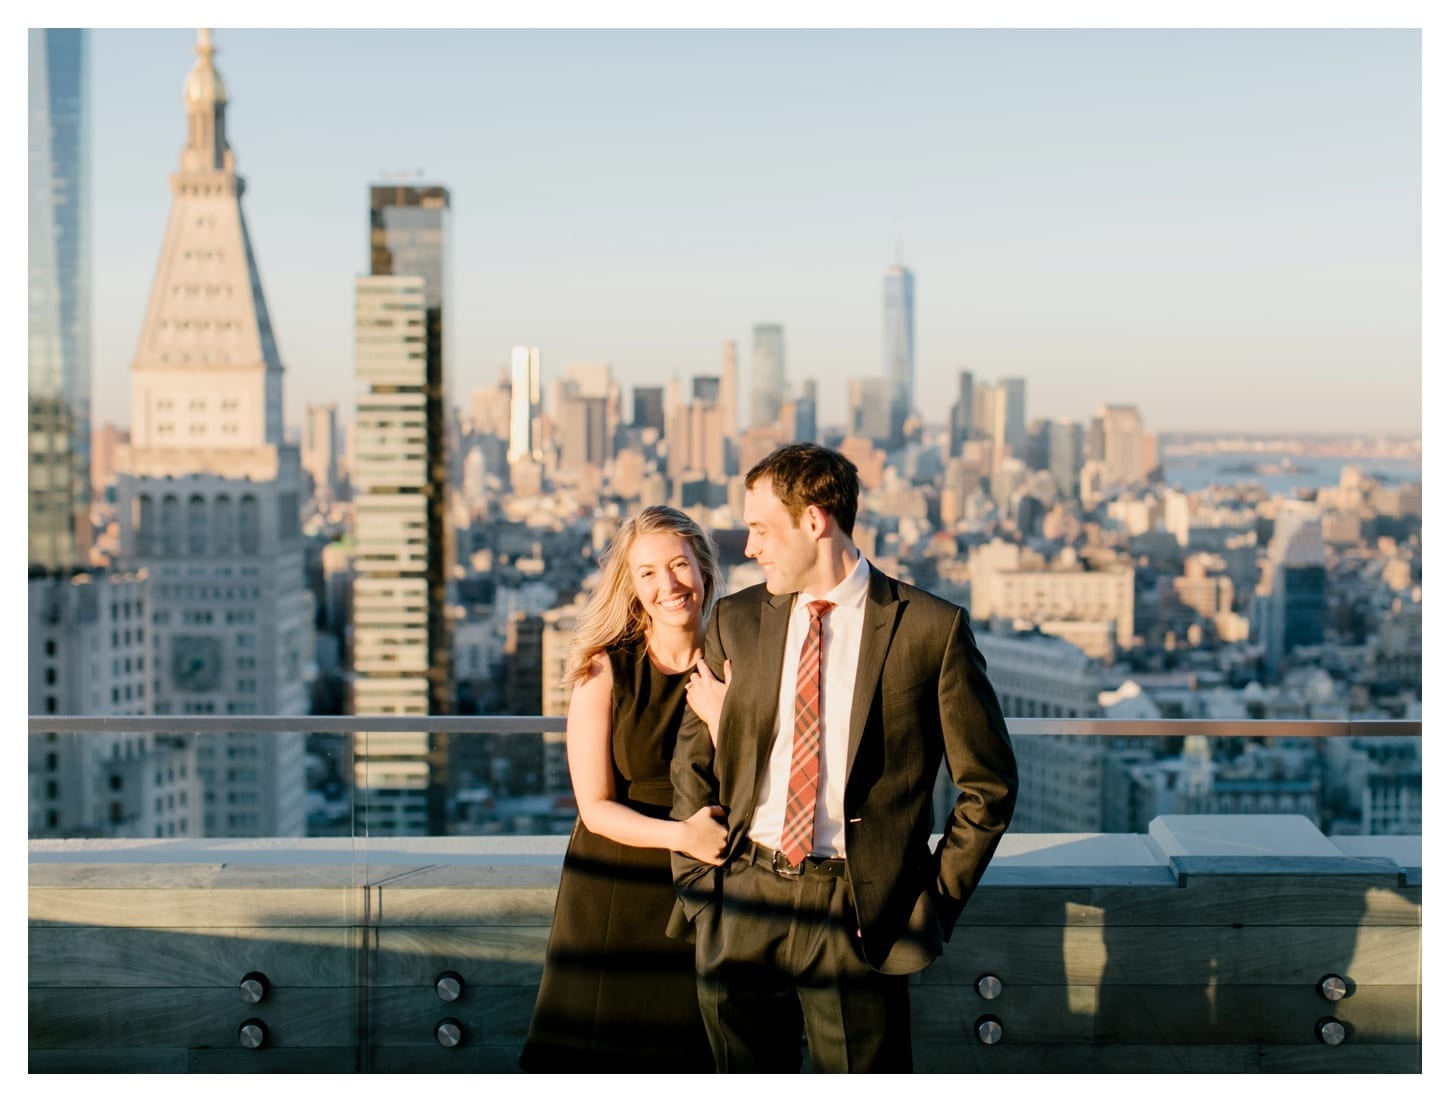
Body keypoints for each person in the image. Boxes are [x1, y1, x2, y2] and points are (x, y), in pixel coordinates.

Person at [670, 443, 1018, 1073]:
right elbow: (692, 764)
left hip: (858, 913)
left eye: (760, 529)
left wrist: (927, 907)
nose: (749, 548)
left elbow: (987, 787)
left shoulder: (929, 630)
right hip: (741, 900)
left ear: (814, 521)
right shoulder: (736, 621)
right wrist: (701, 890)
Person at [520, 506, 729, 1072]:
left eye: (679, 564)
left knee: (689, 1054)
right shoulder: (604, 669)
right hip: (615, 880)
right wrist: (683, 834)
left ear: (704, 569)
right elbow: (594, 808)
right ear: (632, 588)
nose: (669, 585)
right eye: (648, 573)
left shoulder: (737, 667)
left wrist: (725, 717)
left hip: (707, 885)